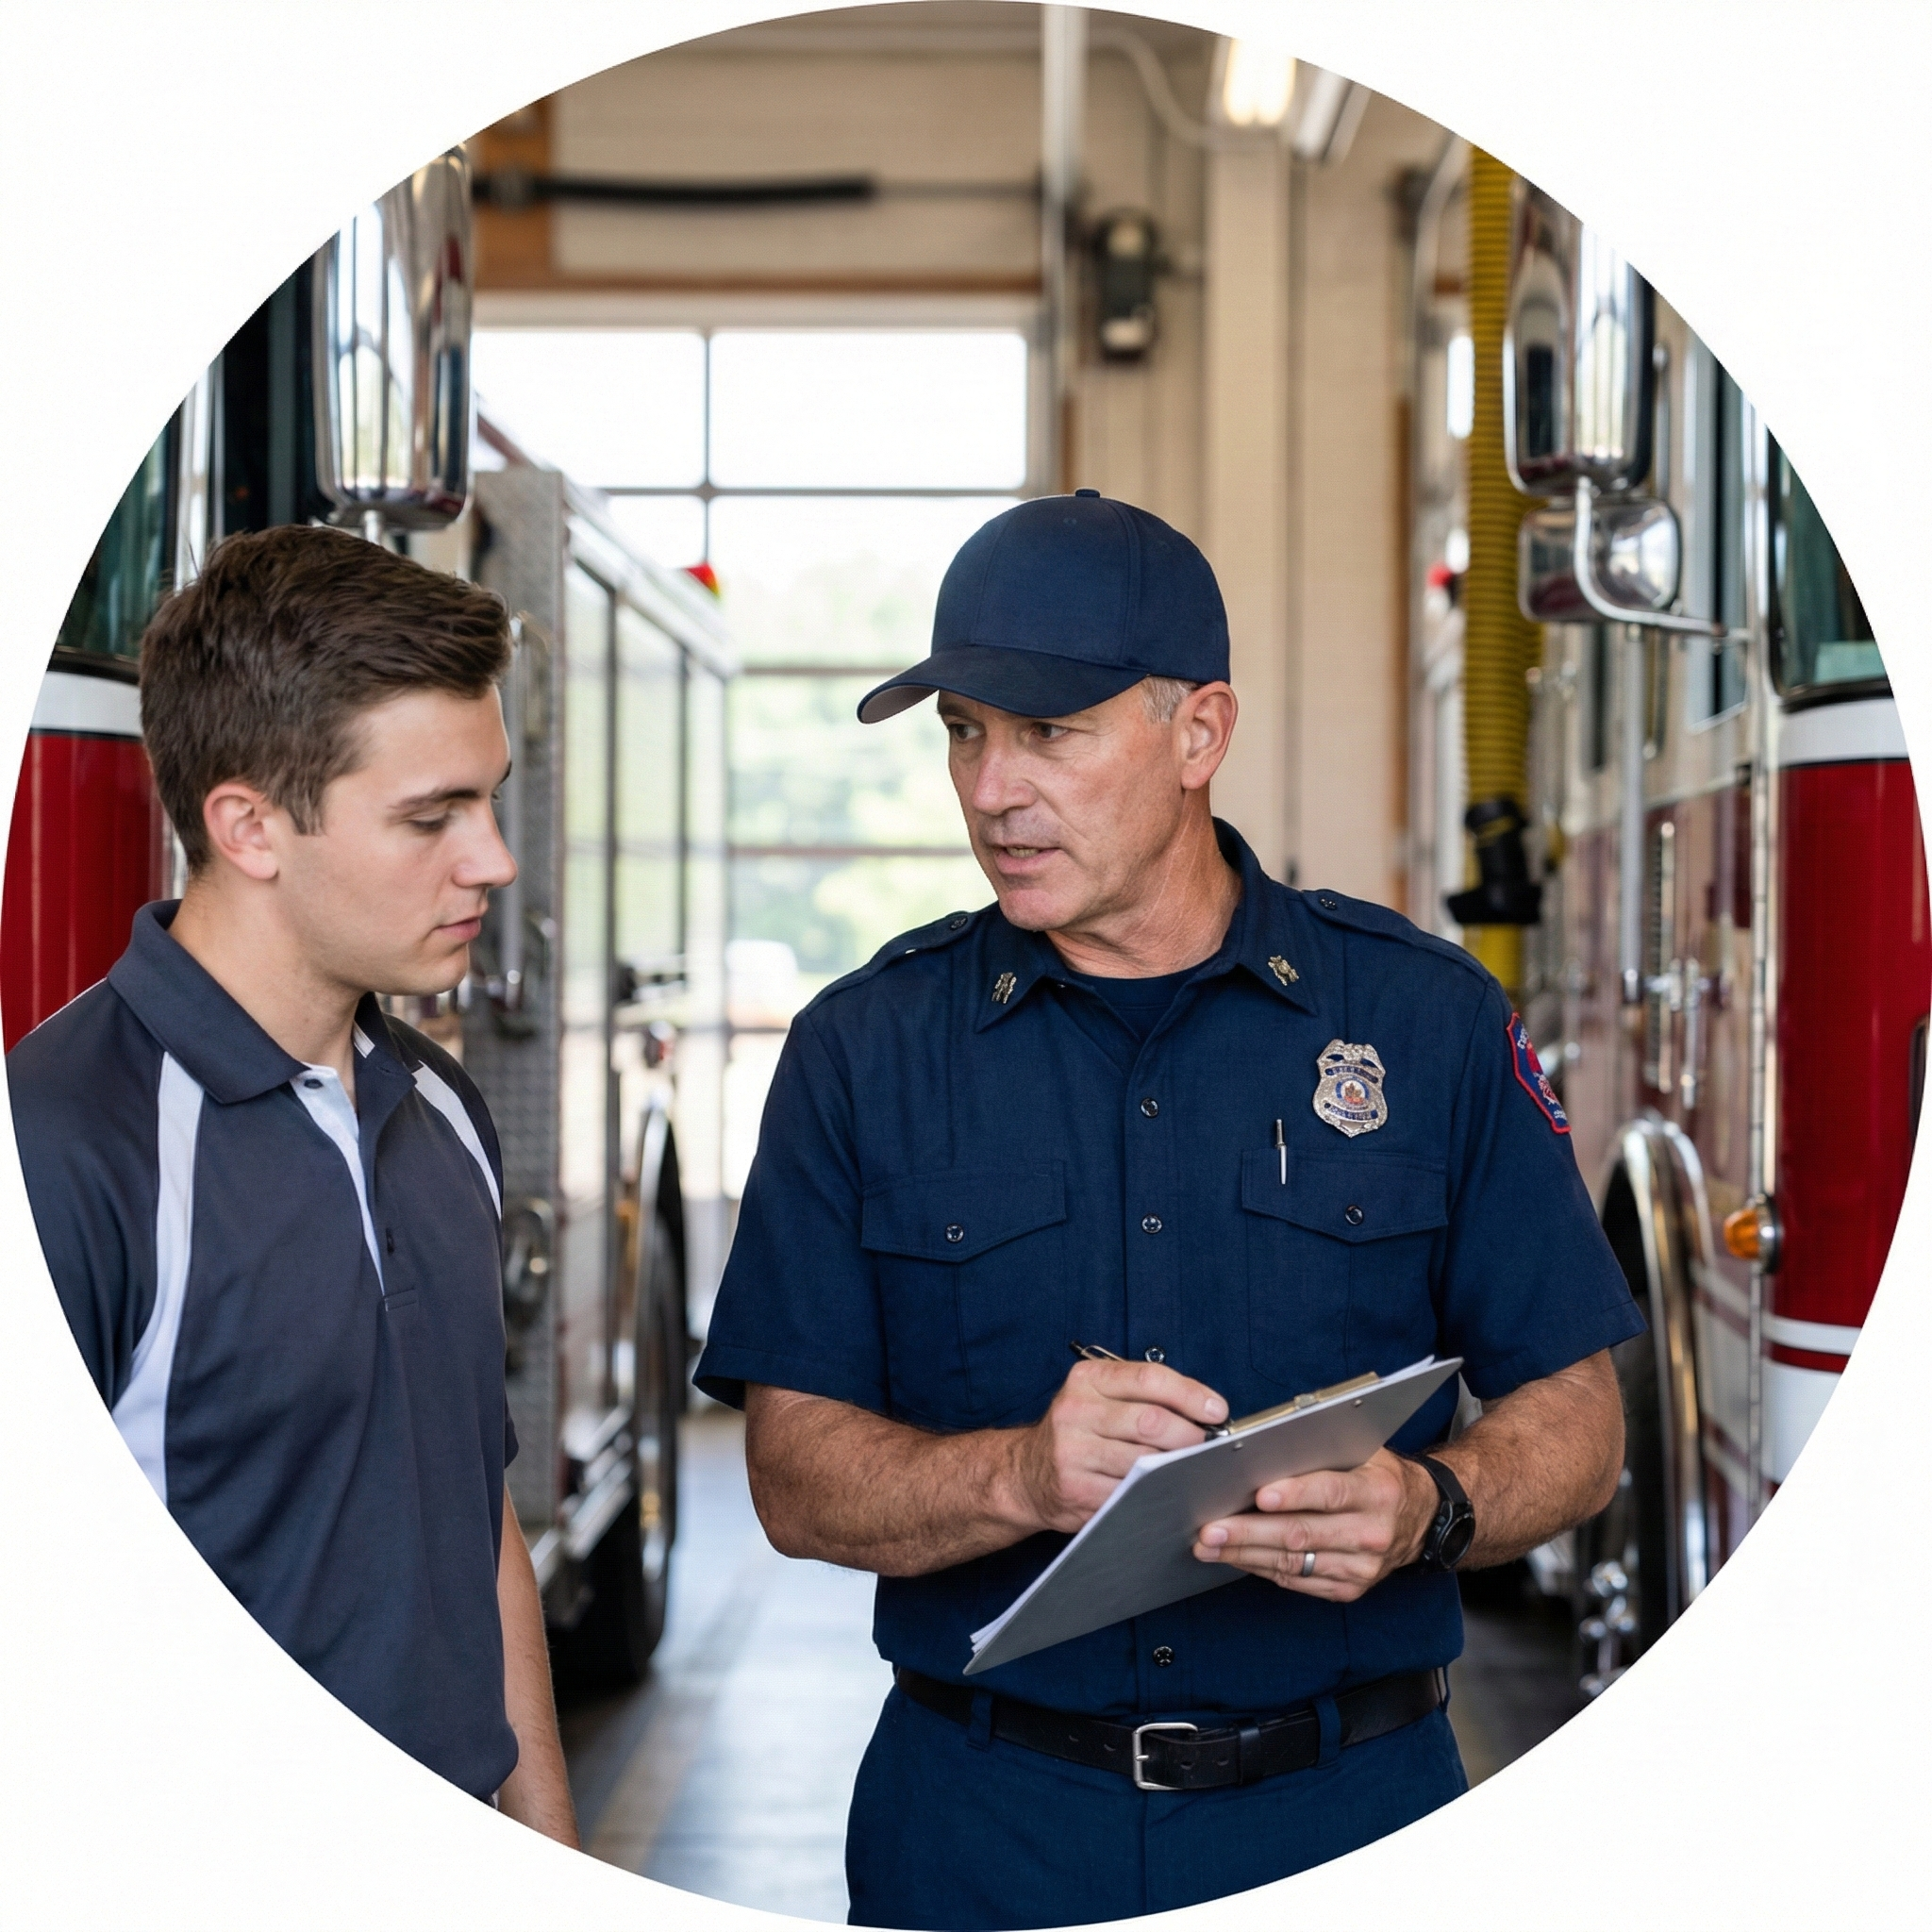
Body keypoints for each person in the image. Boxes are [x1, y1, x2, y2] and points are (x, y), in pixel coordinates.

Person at [693, 491, 1644, 1929]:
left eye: (1049, 733)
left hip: (1355, 1818)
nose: (991, 788)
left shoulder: (1422, 1022)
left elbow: (1578, 1421)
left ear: (1200, 734)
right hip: (984, 1831)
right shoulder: (863, 1051)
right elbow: (792, 1477)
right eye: (964, 732)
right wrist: (1017, 1475)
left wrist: (1428, 1507)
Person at [10, 525, 578, 1843]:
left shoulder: (439, 1111)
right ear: (249, 826)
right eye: (433, 816)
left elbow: (471, 1503)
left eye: (489, 801)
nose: (492, 860)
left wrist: (547, 1830)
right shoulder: (70, 1147)